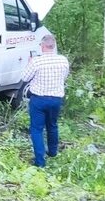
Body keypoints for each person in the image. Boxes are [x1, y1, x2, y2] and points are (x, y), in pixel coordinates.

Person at [21, 35, 69, 168]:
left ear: (42, 46)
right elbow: (64, 77)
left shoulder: (36, 61)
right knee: (52, 125)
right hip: (56, 99)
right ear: (54, 46)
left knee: (36, 129)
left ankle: (40, 162)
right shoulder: (63, 61)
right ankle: (53, 152)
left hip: (39, 100)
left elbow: (24, 77)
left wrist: (29, 62)